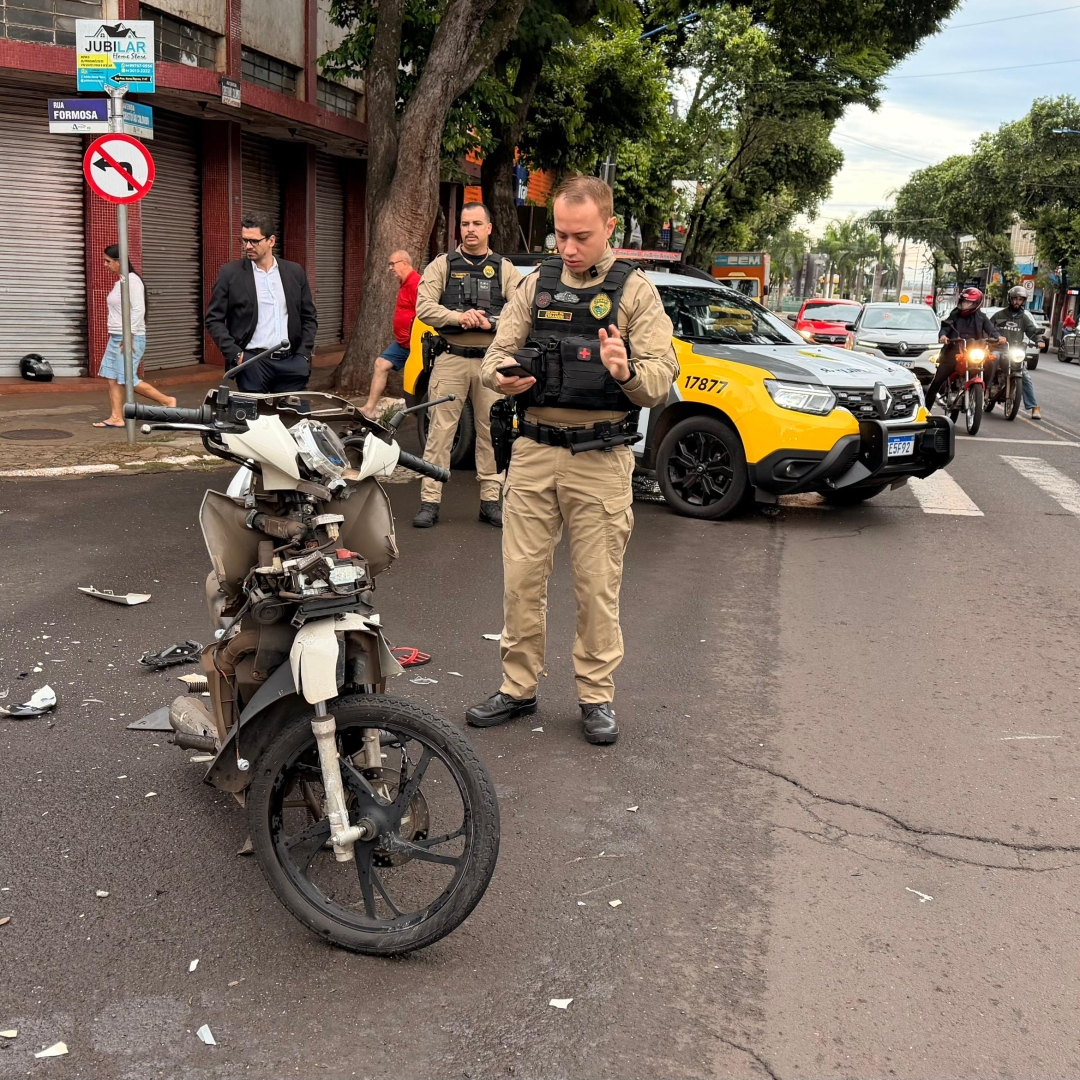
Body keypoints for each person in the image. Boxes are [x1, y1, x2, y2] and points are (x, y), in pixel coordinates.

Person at [465, 175, 679, 746]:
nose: (567, 247)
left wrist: (625, 371)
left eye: (580, 235)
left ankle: (595, 697)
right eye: (560, 234)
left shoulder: (636, 294)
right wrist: (504, 377)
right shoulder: (534, 286)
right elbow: (493, 357)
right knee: (521, 579)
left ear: (610, 227)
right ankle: (517, 687)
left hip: (600, 459)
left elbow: (662, 381)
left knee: (596, 585)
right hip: (534, 452)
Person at [412, 203, 522, 529]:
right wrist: (458, 317)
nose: (470, 229)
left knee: (493, 434)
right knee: (440, 434)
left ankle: (491, 503)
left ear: (489, 228)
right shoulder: (442, 265)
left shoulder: (505, 269)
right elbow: (424, 307)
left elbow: (522, 312)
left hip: (491, 361)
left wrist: (492, 322)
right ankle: (429, 503)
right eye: (464, 223)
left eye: (477, 223)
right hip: (450, 358)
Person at [204, 213, 317, 393]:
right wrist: (237, 355)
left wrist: (303, 355)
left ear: (271, 241)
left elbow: (309, 317)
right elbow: (213, 319)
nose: (248, 246)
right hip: (252, 364)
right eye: (244, 240)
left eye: (254, 241)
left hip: (291, 364)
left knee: (297, 420)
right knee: (254, 421)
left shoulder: (294, 272)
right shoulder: (230, 274)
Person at [93, 244, 176, 427]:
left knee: (128, 379)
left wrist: (129, 335)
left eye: (108, 261)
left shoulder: (132, 281)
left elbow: (139, 310)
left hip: (130, 337)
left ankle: (167, 401)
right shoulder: (122, 281)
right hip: (116, 336)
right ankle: (116, 417)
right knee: (112, 378)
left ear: (119, 261)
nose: (105, 265)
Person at [361, 250, 421, 421]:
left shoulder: (417, 283)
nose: (390, 268)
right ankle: (369, 409)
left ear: (404, 263)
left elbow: (427, 313)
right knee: (381, 364)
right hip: (403, 344)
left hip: (418, 344)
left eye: (392, 263)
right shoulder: (404, 283)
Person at [925, 286, 1005, 413]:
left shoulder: (982, 317)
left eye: (968, 302)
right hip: (955, 350)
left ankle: (985, 391)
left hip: (975, 351)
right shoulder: (955, 314)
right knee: (938, 380)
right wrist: (943, 336)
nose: (965, 305)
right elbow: (946, 327)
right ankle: (925, 411)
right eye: (963, 302)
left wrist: (999, 337)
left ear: (976, 304)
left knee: (990, 362)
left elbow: (991, 329)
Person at [990, 285, 1043, 419]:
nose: (1017, 302)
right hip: (999, 350)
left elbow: (1032, 330)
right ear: (1010, 299)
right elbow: (989, 328)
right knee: (992, 359)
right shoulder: (999, 315)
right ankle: (985, 388)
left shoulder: (1024, 318)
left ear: (1024, 301)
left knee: (1024, 374)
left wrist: (1039, 340)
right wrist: (992, 339)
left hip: (1014, 352)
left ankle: (1033, 407)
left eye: (1020, 299)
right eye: (1015, 299)